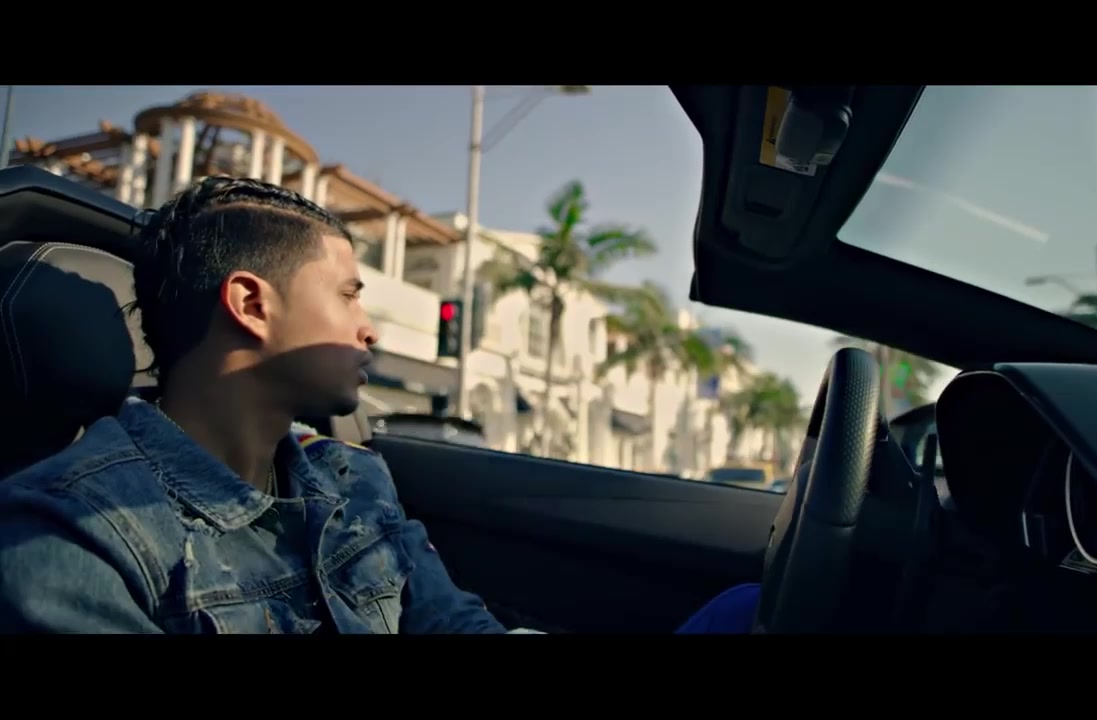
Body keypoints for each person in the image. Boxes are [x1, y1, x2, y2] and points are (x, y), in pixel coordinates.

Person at [0, 176, 759, 634]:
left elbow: (450, 623)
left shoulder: (352, 477)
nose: (369, 328)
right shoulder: (70, 537)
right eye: (347, 294)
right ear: (251, 304)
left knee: (745, 607)